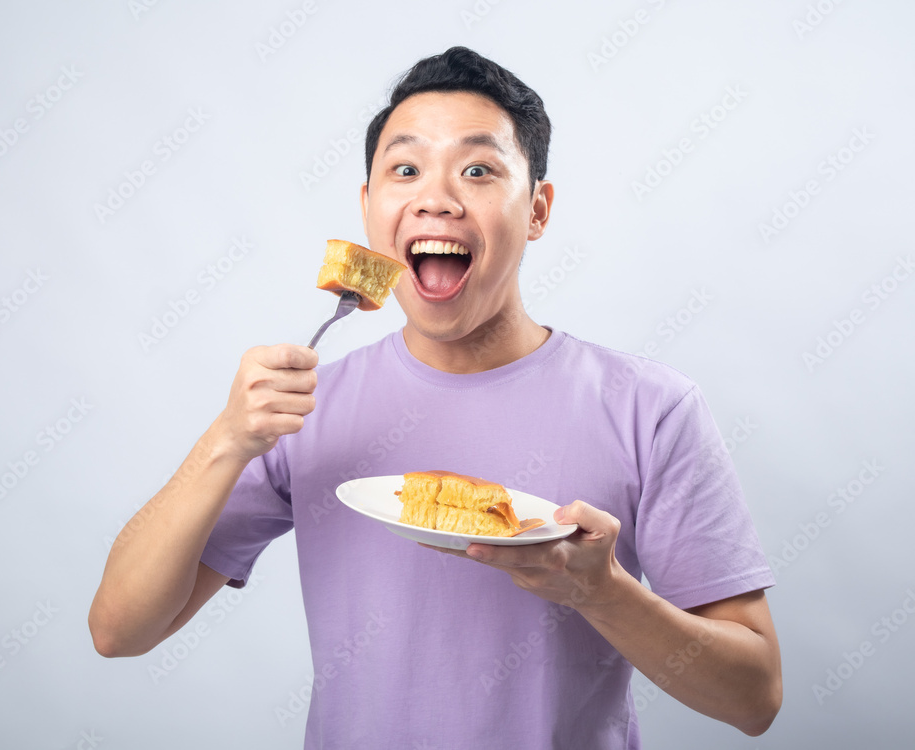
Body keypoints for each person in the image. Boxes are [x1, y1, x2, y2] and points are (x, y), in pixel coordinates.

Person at [89, 47, 781, 748]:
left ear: (537, 209)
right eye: (406, 169)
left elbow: (754, 698)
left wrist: (600, 590)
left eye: (479, 170)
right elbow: (119, 629)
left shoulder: (650, 408)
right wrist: (225, 440)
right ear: (368, 209)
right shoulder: (304, 411)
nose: (437, 197)